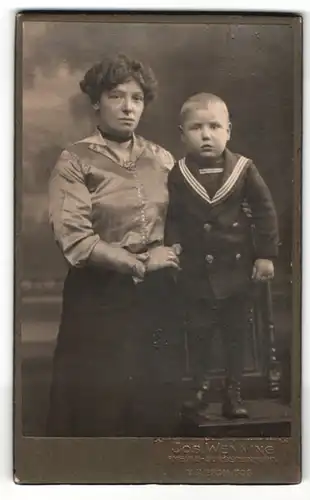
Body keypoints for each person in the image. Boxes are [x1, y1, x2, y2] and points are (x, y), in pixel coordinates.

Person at [47, 54, 184, 437]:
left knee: (153, 408)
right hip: (98, 300)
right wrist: (141, 264)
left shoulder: (162, 159)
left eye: (136, 98)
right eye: (116, 96)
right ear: (96, 101)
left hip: (158, 300)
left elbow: (184, 224)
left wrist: (172, 255)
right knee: (100, 412)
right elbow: (75, 241)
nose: (128, 107)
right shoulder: (73, 161)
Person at [165, 93, 279, 419]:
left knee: (234, 335)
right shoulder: (178, 173)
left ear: (228, 130)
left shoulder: (244, 169)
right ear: (182, 134)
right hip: (196, 273)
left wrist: (266, 256)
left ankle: (234, 392)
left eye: (214, 126)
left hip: (237, 271)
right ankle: (199, 387)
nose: (206, 134)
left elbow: (265, 212)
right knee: (198, 333)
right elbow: (172, 216)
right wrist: (172, 244)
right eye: (196, 127)